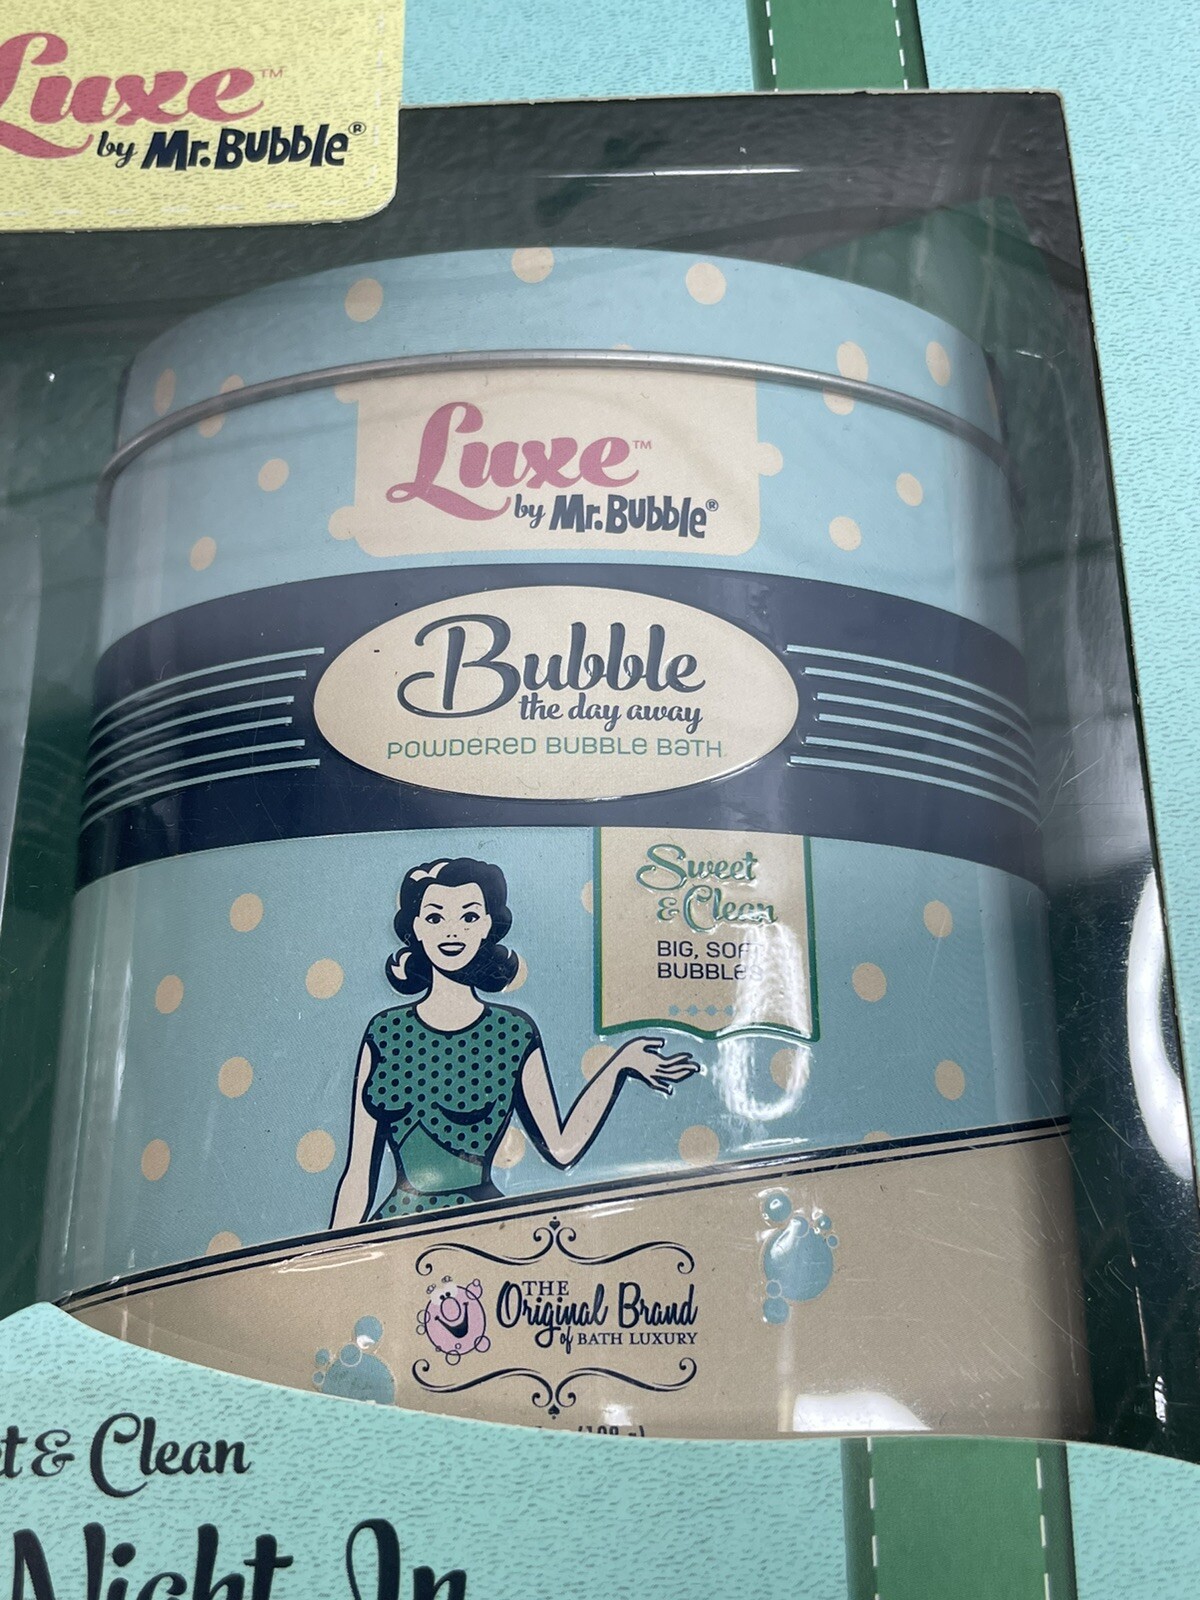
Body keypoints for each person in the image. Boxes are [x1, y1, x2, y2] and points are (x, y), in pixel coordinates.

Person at [330, 856, 699, 1226]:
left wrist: (619, 1065)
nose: (452, 932)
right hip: (397, 1230)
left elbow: (560, 1148)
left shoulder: (512, 1031)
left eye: (469, 917)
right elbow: (358, 1174)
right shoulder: (385, 1031)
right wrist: (330, 1253)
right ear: (416, 928)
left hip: (485, 1226)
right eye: (435, 918)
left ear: (487, 925)